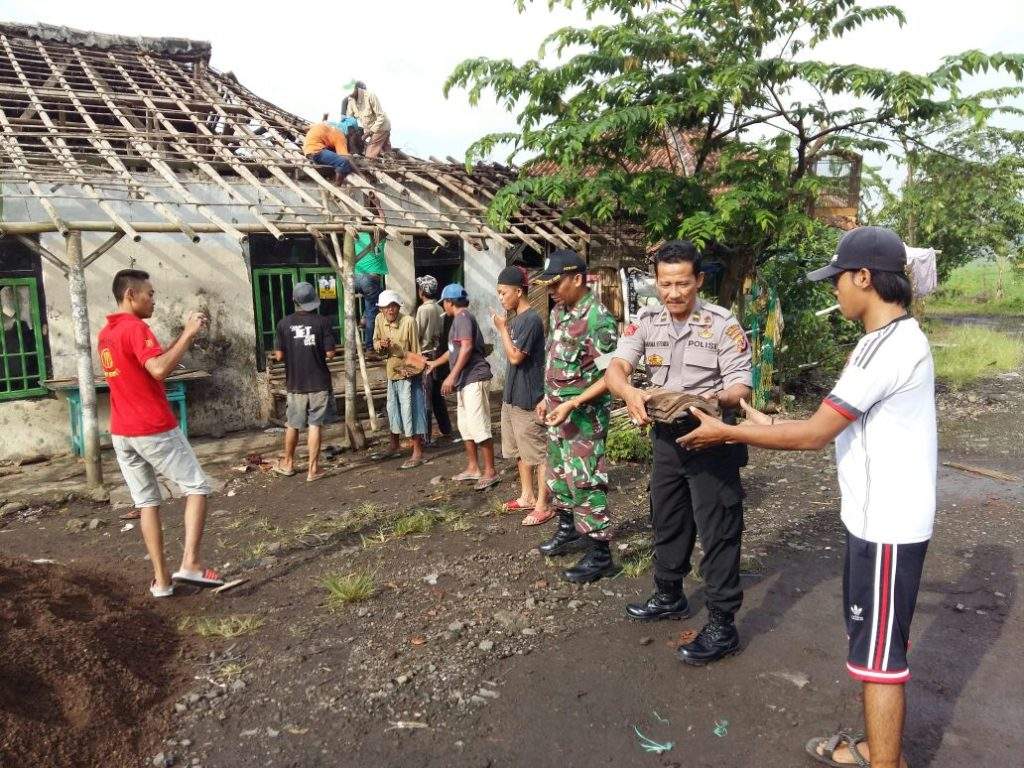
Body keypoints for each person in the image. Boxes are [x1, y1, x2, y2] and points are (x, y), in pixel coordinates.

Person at [680, 227, 933, 768]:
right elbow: (835, 424)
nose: (835, 292)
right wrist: (770, 422)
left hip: (887, 525)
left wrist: (729, 433)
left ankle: (886, 761)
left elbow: (816, 434)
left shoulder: (888, 349)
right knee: (872, 646)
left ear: (864, 278)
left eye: (838, 280)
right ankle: (874, 747)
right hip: (876, 521)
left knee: (879, 658)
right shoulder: (884, 342)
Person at [605, 240, 753, 664]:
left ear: (699, 280)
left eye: (682, 284)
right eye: (665, 284)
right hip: (666, 438)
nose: (673, 293)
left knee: (718, 528)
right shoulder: (646, 321)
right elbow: (618, 367)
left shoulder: (723, 324)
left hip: (711, 437)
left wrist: (711, 402)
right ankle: (669, 594)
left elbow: (742, 385)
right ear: (656, 282)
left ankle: (723, 623)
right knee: (667, 515)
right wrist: (629, 391)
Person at [97, 269, 224, 597]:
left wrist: (173, 344)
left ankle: (162, 580)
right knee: (196, 486)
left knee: (147, 502)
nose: (153, 299)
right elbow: (158, 369)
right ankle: (191, 564)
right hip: (151, 427)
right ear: (130, 295)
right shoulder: (136, 328)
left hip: (122, 431)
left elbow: (145, 366)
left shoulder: (107, 333)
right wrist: (188, 334)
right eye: (149, 294)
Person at [533, 250, 619, 583]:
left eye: (556, 283)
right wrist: (546, 397)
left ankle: (600, 555)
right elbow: (556, 362)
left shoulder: (598, 319)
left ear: (578, 279)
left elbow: (610, 376)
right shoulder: (559, 312)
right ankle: (569, 530)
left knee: (585, 481)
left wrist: (574, 402)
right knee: (558, 477)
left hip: (584, 419)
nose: (551, 290)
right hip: (558, 414)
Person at [491, 265, 552, 526]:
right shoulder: (515, 319)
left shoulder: (530, 320)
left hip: (529, 397)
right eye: (498, 293)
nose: (501, 298)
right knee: (518, 451)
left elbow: (515, 357)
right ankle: (527, 495)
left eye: (503, 293)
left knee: (537, 454)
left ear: (519, 291)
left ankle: (544, 503)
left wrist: (502, 329)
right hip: (512, 396)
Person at [426, 283, 498, 491]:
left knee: (479, 425)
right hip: (464, 381)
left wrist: (451, 376)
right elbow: (453, 351)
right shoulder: (457, 321)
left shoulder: (463, 318)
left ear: (449, 302)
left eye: (444, 303)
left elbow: (466, 348)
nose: (443, 307)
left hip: (473, 377)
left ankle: (490, 470)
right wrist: (435, 363)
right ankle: (473, 467)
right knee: (465, 426)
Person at [273, 282, 336, 483]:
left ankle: (288, 464)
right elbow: (330, 353)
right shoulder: (322, 322)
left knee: (293, 424)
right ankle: (312, 470)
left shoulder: (283, 324)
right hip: (319, 381)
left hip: (295, 383)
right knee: (315, 425)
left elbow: (279, 355)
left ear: (294, 300)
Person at [372, 290, 427, 469]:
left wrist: (410, 370)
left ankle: (417, 450)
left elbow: (416, 352)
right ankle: (394, 444)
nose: (391, 310)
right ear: (381, 309)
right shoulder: (379, 320)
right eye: (387, 307)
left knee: (413, 410)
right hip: (391, 373)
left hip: (409, 375)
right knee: (393, 409)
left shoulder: (409, 322)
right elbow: (375, 343)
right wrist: (380, 345)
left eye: (394, 306)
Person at [415, 275, 452, 444]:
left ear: (422, 291)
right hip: (439, 355)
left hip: (427, 356)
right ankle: (446, 429)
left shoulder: (424, 310)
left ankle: (426, 436)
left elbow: (417, 335)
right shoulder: (440, 308)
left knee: (426, 397)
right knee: (438, 397)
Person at [355, 233, 388, 352]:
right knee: (373, 314)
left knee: (377, 297)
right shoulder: (379, 235)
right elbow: (383, 221)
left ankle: (363, 318)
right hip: (371, 279)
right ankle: (369, 347)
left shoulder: (356, 235)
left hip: (355, 278)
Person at [343, 80, 391, 158]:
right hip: (369, 129)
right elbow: (350, 119)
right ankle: (392, 161)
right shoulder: (351, 100)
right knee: (386, 152)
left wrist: (369, 133)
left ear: (356, 89)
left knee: (369, 155)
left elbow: (381, 116)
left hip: (381, 127)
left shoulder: (370, 96)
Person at [302, 120, 355, 184]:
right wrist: (359, 172)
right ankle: (337, 185)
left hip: (307, 150)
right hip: (317, 152)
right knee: (344, 162)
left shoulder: (322, 125)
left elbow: (304, 128)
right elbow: (344, 156)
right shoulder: (340, 135)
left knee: (335, 156)